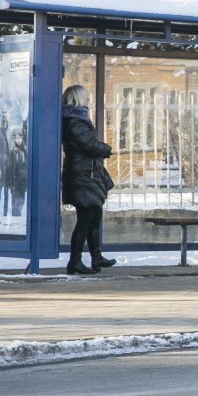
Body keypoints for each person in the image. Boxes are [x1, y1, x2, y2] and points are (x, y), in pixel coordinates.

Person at [62, 84, 117, 275]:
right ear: (77, 98)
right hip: (82, 176)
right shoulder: (74, 121)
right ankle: (75, 261)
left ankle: (96, 256)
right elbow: (89, 145)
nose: (88, 99)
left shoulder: (79, 118)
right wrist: (106, 148)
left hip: (88, 174)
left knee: (94, 216)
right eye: (85, 96)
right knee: (85, 219)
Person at [6, 130, 28, 217]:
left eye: (20, 138)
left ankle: (18, 216)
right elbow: (10, 168)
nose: (19, 140)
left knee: (21, 202)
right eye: (17, 138)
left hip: (23, 181)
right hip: (15, 182)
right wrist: (11, 183)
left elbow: (26, 166)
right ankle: (15, 219)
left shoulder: (24, 151)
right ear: (15, 139)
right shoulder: (13, 152)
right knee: (15, 204)